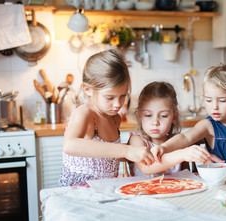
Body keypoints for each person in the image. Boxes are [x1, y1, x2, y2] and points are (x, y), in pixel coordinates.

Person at [58, 49, 154, 187]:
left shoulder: (115, 119)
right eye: (109, 97)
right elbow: (70, 145)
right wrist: (127, 151)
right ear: (88, 89)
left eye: (123, 96)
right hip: (77, 191)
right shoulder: (85, 113)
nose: (117, 104)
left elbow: (103, 153)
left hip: (103, 189)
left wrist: (131, 154)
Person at [151, 64, 226, 164]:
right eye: (208, 100)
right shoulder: (207, 125)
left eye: (222, 100)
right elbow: (185, 137)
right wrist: (164, 148)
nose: (215, 106)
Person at [128, 81, 217, 176]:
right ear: (139, 116)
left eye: (163, 116)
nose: (155, 122)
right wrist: (182, 154)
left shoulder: (178, 143)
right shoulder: (137, 140)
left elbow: (185, 175)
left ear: (174, 116)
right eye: (148, 115)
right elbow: (146, 168)